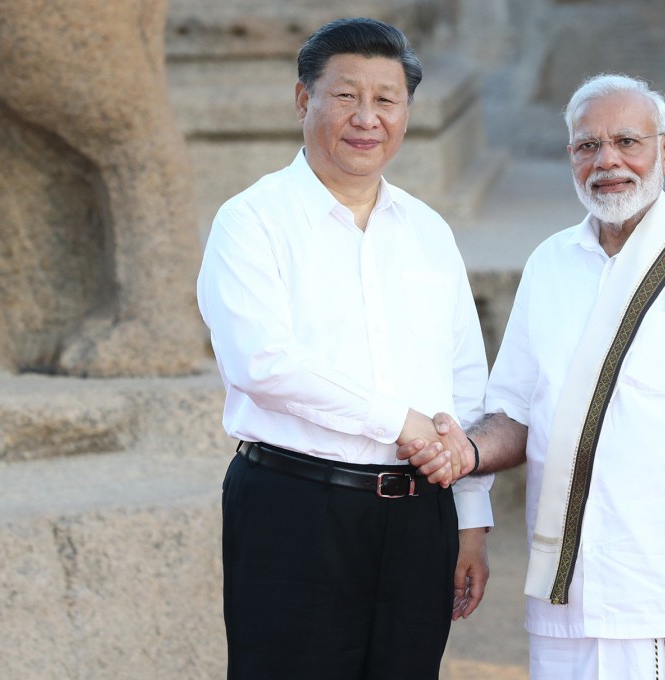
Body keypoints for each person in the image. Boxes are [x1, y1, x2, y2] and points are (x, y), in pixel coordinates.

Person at [401, 73, 665, 680]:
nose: (607, 161)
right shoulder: (549, 264)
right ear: (570, 158)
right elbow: (515, 414)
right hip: (569, 599)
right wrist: (463, 452)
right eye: (588, 146)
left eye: (626, 141)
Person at [196, 17, 492, 680]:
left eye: (386, 100)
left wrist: (470, 521)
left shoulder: (427, 231)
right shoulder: (252, 220)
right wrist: (400, 422)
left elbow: (465, 383)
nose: (367, 118)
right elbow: (261, 364)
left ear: (407, 111)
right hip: (296, 507)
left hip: (421, 519)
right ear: (305, 101)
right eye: (345, 96)